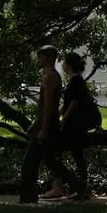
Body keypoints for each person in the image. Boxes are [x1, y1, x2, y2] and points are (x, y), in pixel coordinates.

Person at [19, 45, 85, 204]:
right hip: (47, 124)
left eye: (39, 57)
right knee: (50, 162)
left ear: (44, 58)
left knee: (30, 164)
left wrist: (43, 129)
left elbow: (49, 105)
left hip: (48, 126)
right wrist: (36, 124)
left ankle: (28, 199)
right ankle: (79, 186)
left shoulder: (49, 77)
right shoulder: (53, 76)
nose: (37, 60)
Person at [40, 50, 101, 201]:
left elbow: (73, 105)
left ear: (68, 65)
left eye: (64, 63)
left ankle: (63, 187)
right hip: (75, 127)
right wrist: (56, 113)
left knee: (57, 152)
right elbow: (68, 104)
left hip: (74, 127)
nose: (63, 66)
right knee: (76, 155)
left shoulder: (76, 82)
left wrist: (62, 120)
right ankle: (80, 187)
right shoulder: (76, 81)